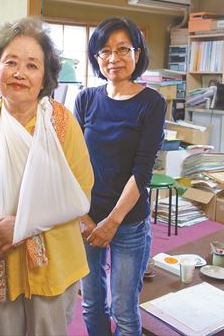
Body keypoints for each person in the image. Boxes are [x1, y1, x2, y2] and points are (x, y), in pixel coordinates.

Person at [0, 18, 94, 335]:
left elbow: (79, 195)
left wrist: (21, 224)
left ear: (44, 77)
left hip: (50, 260)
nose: (19, 73)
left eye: (31, 65)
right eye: (10, 62)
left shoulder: (62, 124)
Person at [75, 17, 166, 336]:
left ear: (137, 54)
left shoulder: (152, 103)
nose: (114, 58)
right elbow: (73, 163)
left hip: (127, 221)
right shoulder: (86, 99)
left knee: (124, 309)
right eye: (105, 51)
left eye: (123, 49)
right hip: (86, 219)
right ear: (96, 58)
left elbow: (142, 171)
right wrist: (85, 218)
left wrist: (112, 221)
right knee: (91, 303)